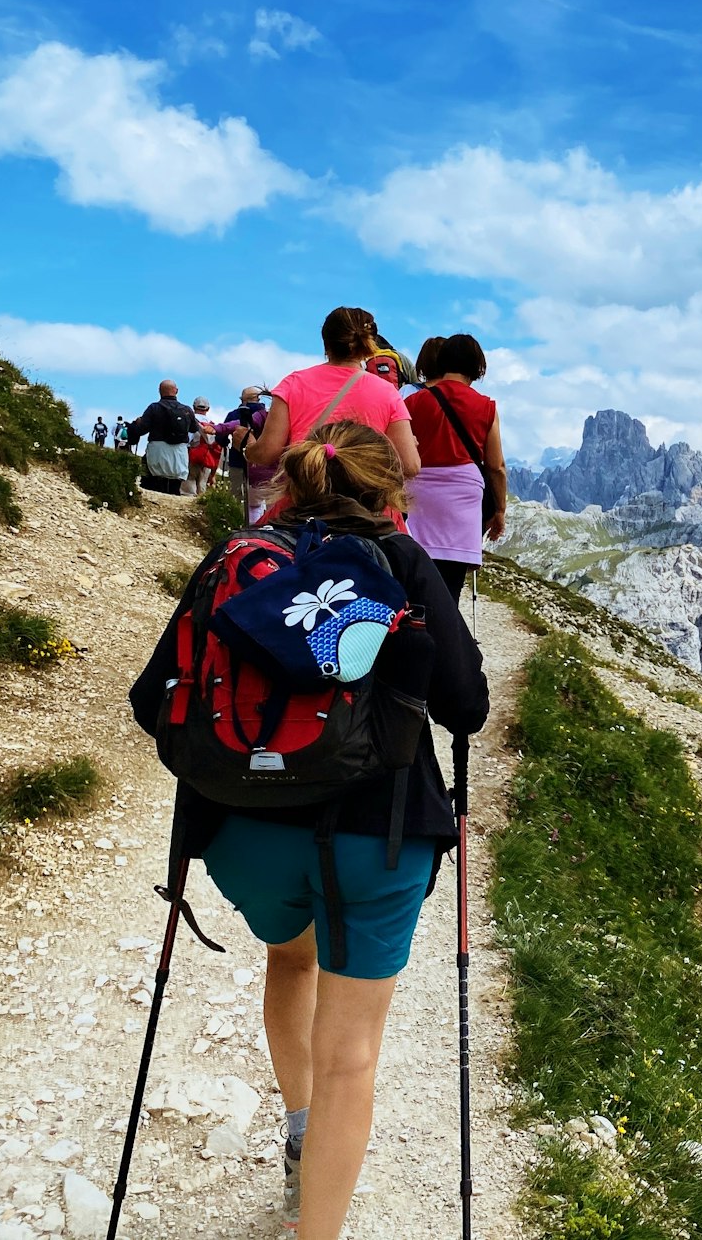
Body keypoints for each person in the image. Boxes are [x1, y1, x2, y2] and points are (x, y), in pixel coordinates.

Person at [129, 422, 488, 1240]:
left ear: (291, 482)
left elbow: (152, 701)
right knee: (351, 1053)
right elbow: (466, 706)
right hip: (380, 838)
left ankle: (298, 1127)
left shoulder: (236, 557)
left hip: (241, 838)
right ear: (389, 495)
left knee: (291, 957)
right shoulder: (400, 562)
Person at [246, 309, 422, 485]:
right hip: (369, 507)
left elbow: (266, 453)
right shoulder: (387, 392)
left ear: (326, 343)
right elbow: (410, 466)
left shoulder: (293, 383)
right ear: (368, 344)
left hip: (306, 502)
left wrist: (247, 446)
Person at [405, 333, 509, 597]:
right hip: (462, 498)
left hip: (418, 493)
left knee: (414, 574)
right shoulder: (486, 407)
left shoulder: (414, 402)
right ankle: (446, 628)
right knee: (450, 583)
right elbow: (496, 466)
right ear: (478, 367)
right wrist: (499, 511)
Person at [130, 382, 198, 494]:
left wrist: (137, 424)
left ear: (159, 391)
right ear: (176, 391)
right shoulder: (186, 410)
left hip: (157, 452)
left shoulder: (154, 408)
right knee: (174, 488)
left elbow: (141, 430)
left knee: (153, 486)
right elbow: (193, 429)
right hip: (179, 454)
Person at [219, 386, 265, 514]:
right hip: (259, 461)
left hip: (237, 458)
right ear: (258, 398)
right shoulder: (266, 414)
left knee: (236, 491)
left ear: (243, 399)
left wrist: (224, 442)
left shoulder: (234, 414)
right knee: (257, 495)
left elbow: (222, 436)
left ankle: (235, 516)